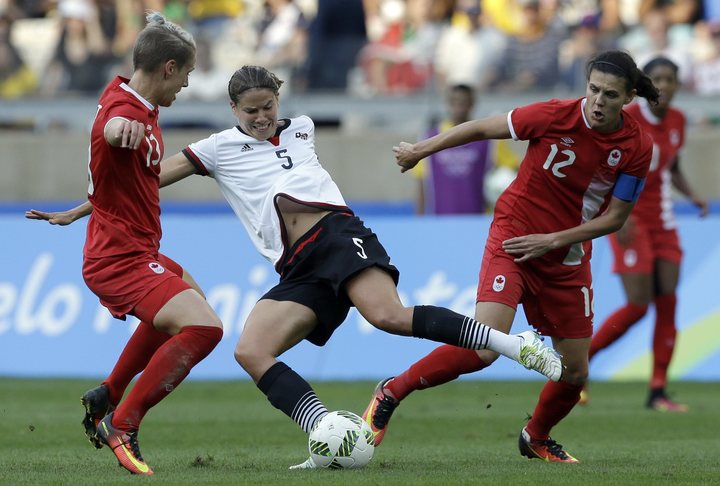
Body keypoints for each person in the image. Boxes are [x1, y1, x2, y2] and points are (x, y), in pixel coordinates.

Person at [27, 65, 562, 469]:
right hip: (297, 268)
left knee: (387, 316)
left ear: (279, 101)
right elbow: (145, 178)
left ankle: (517, 346)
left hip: (337, 236)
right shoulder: (217, 148)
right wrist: (83, 207)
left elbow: (292, 180)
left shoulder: (301, 127)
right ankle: (327, 429)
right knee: (250, 349)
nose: (261, 118)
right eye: (250, 110)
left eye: (268, 106)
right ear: (233, 110)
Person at [362, 50, 659, 463]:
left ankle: (535, 437)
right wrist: (420, 150)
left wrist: (554, 240)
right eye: (592, 90)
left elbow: (615, 218)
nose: (597, 101)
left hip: (565, 256)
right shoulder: (553, 115)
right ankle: (392, 391)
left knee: (575, 371)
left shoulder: (638, 146)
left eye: (609, 94)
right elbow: (481, 128)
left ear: (628, 98)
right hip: (514, 239)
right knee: (485, 347)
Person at [26, 13, 224, 476]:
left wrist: (82, 208)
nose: (186, 87)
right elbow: (113, 132)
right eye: (186, 76)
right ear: (168, 69)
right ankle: (123, 422)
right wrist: (122, 132)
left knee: (188, 299)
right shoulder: (127, 114)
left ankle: (107, 395)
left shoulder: (126, 94)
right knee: (205, 328)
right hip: (118, 258)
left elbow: (114, 174)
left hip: (133, 247)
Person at [582, 57, 709, 411]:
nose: (665, 85)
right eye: (659, 79)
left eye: (671, 79)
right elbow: (602, 168)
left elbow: (672, 164)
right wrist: (613, 215)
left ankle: (657, 391)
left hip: (664, 221)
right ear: (642, 85)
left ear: (678, 85)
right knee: (638, 305)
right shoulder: (627, 118)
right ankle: (577, 365)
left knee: (668, 302)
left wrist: (693, 194)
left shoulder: (678, 121)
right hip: (628, 219)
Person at [415, 84, 518, 215]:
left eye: (463, 103)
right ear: (448, 104)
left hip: (478, 221)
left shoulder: (490, 139)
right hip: (440, 222)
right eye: (454, 102)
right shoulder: (429, 138)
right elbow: (420, 183)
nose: (458, 108)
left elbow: (514, 172)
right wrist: (419, 219)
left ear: (472, 104)